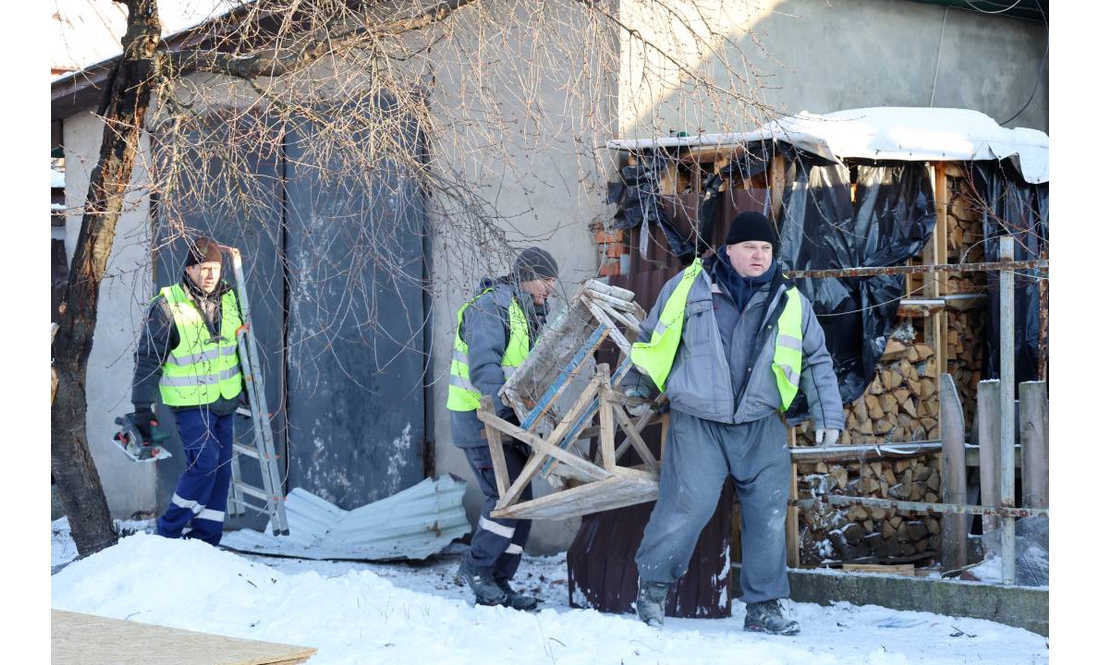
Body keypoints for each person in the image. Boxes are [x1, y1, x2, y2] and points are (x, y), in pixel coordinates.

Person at [624, 211, 843, 635]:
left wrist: (827, 411)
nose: (759, 255)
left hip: (761, 424)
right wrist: (637, 385)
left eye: (765, 249)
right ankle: (651, 589)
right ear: (729, 250)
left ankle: (764, 607)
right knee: (687, 506)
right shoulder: (689, 287)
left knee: (767, 513)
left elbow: (816, 357)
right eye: (750, 248)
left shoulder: (789, 300)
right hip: (699, 421)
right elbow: (654, 335)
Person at [447, 246, 559, 611]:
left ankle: (499, 579)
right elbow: (485, 368)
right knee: (504, 499)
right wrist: (502, 414)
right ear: (527, 276)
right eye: (546, 280)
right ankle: (478, 569)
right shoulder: (490, 307)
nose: (551, 289)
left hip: (507, 423)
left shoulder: (528, 313)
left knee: (520, 504)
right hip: (481, 422)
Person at [131, 236, 245, 546]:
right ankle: (167, 533)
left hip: (225, 399)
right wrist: (142, 407)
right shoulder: (168, 306)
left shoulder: (231, 298)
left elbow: (238, 349)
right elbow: (148, 359)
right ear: (190, 269)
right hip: (191, 404)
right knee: (205, 463)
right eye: (203, 268)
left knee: (221, 471)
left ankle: (205, 540)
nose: (210, 275)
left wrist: (246, 388)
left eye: (215, 269)